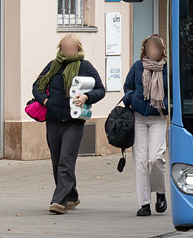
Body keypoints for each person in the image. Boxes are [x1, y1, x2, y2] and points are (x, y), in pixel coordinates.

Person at [31, 35, 106, 214]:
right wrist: (46, 101)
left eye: (71, 48)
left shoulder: (85, 66)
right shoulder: (53, 65)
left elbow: (100, 90)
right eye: (65, 48)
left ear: (78, 49)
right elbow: (37, 86)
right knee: (57, 161)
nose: (68, 51)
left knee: (66, 160)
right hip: (54, 119)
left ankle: (59, 201)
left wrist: (87, 97)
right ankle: (71, 196)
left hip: (75, 121)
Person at [123, 34, 169, 217]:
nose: (153, 52)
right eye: (150, 49)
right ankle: (144, 204)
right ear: (145, 50)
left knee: (155, 158)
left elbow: (174, 91)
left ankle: (160, 192)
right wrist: (132, 98)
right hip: (139, 117)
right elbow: (127, 87)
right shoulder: (137, 66)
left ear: (161, 50)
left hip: (158, 117)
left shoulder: (167, 69)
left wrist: (165, 103)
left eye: (156, 49)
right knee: (141, 161)